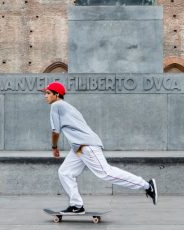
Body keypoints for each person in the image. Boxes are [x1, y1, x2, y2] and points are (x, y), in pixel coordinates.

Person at [42, 81, 157, 214]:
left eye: (48, 93)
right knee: (65, 172)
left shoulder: (56, 105)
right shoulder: (68, 107)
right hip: (78, 147)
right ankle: (76, 206)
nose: (45, 96)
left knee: (106, 173)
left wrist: (54, 147)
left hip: (86, 145)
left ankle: (147, 185)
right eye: (45, 93)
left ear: (57, 95)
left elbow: (56, 131)